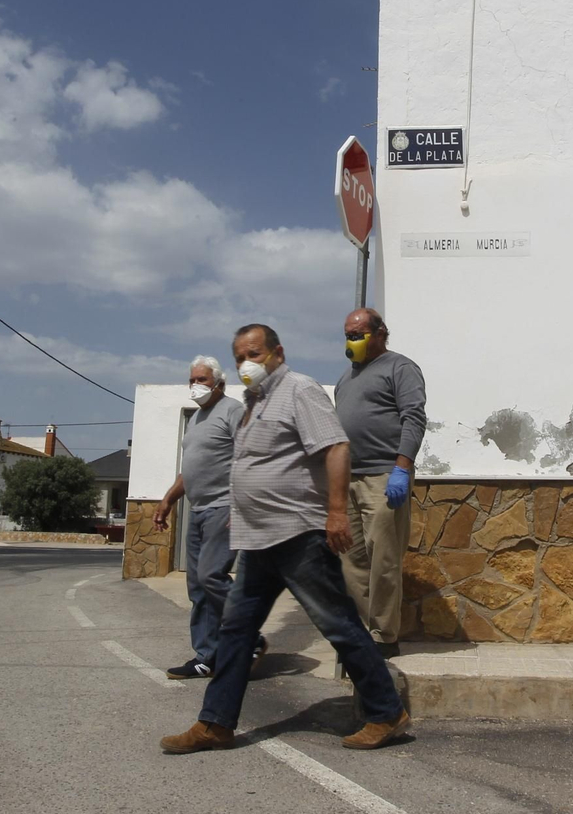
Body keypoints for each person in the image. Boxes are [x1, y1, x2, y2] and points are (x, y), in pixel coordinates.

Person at [160, 324, 409, 755]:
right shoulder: (252, 403)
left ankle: (387, 712)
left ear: (277, 352)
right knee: (236, 632)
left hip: (298, 534)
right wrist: (239, 518)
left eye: (254, 353)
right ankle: (215, 724)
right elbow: (253, 467)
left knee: (339, 625)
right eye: (239, 357)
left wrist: (335, 512)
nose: (245, 364)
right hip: (259, 540)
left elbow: (335, 448)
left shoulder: (299, 389)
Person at [152, 356, 266, 680]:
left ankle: (251, 637)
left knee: (211, 577)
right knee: (198, 586)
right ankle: (206, 657)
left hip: (224, 506)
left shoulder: (232, 410)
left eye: (202, 380)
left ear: (219, 383)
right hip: (199, 509)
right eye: (192, 379)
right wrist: (167, 500)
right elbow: (190, 470)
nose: (195, 385)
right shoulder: (197, 419)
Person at [334, 307, 426, 658]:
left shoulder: (400, 368)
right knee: (352, 561)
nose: (351, 340)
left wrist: (402, 467)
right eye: (348, 334)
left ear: (380, 333)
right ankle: (364, 634)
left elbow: (414, 417)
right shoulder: (346, 378)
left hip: (384, 478)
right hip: (350, 481)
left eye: (357, 334)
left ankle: (385, 638)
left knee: (383, 561)